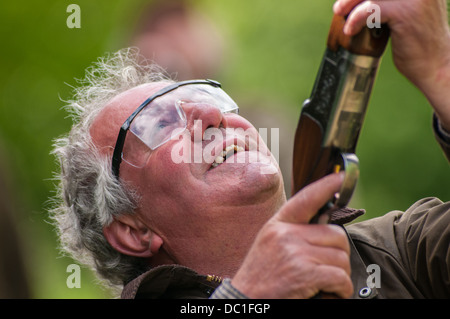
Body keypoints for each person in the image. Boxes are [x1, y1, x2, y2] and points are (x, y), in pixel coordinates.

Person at [51, 0, 450, 299]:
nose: (212, 113)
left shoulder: (398, 252)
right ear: (133, 230)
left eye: (207, 95)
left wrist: (442, 73)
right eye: (159, 122)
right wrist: (247, 297)